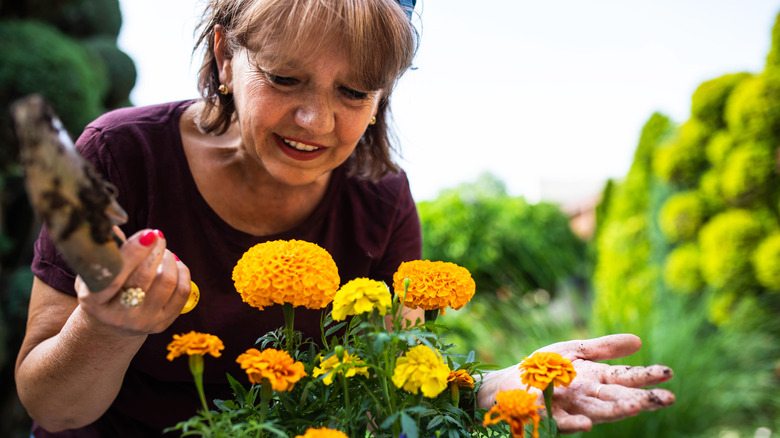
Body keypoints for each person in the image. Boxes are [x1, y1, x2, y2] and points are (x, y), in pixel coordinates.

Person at [14, 0, 674, 436]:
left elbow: (391, 380)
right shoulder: (115, 153)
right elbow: (49, 404)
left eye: (353, 91)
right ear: (223, 54)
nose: (316, 121)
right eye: (284, 78)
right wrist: (104, 327)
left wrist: (501, 385)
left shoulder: (381, 199)